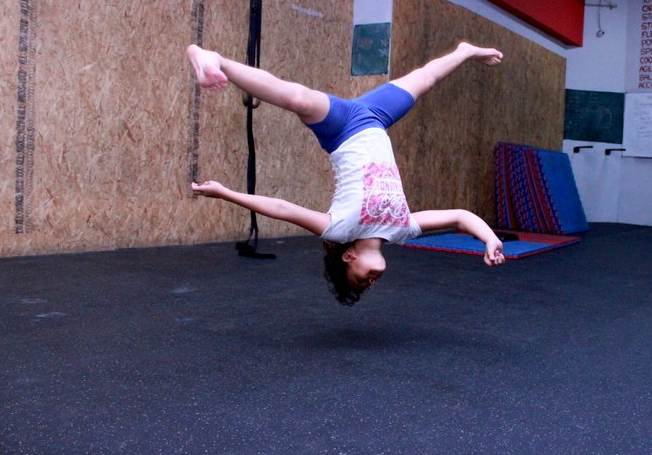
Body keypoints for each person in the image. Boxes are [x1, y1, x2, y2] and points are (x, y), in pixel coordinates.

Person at [187, 42, 507, 305]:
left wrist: (225, 193)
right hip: (375, 118)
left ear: (349, 258)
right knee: (424, 79)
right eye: (370, 284)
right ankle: (465, 51)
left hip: (341, 129)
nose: (372, 281)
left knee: (297, 98)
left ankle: (216, 61)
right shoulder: (402, 230)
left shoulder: (339, 229)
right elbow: (460, 217)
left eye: (360, 280)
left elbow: (282, 208)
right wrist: (490, 238)